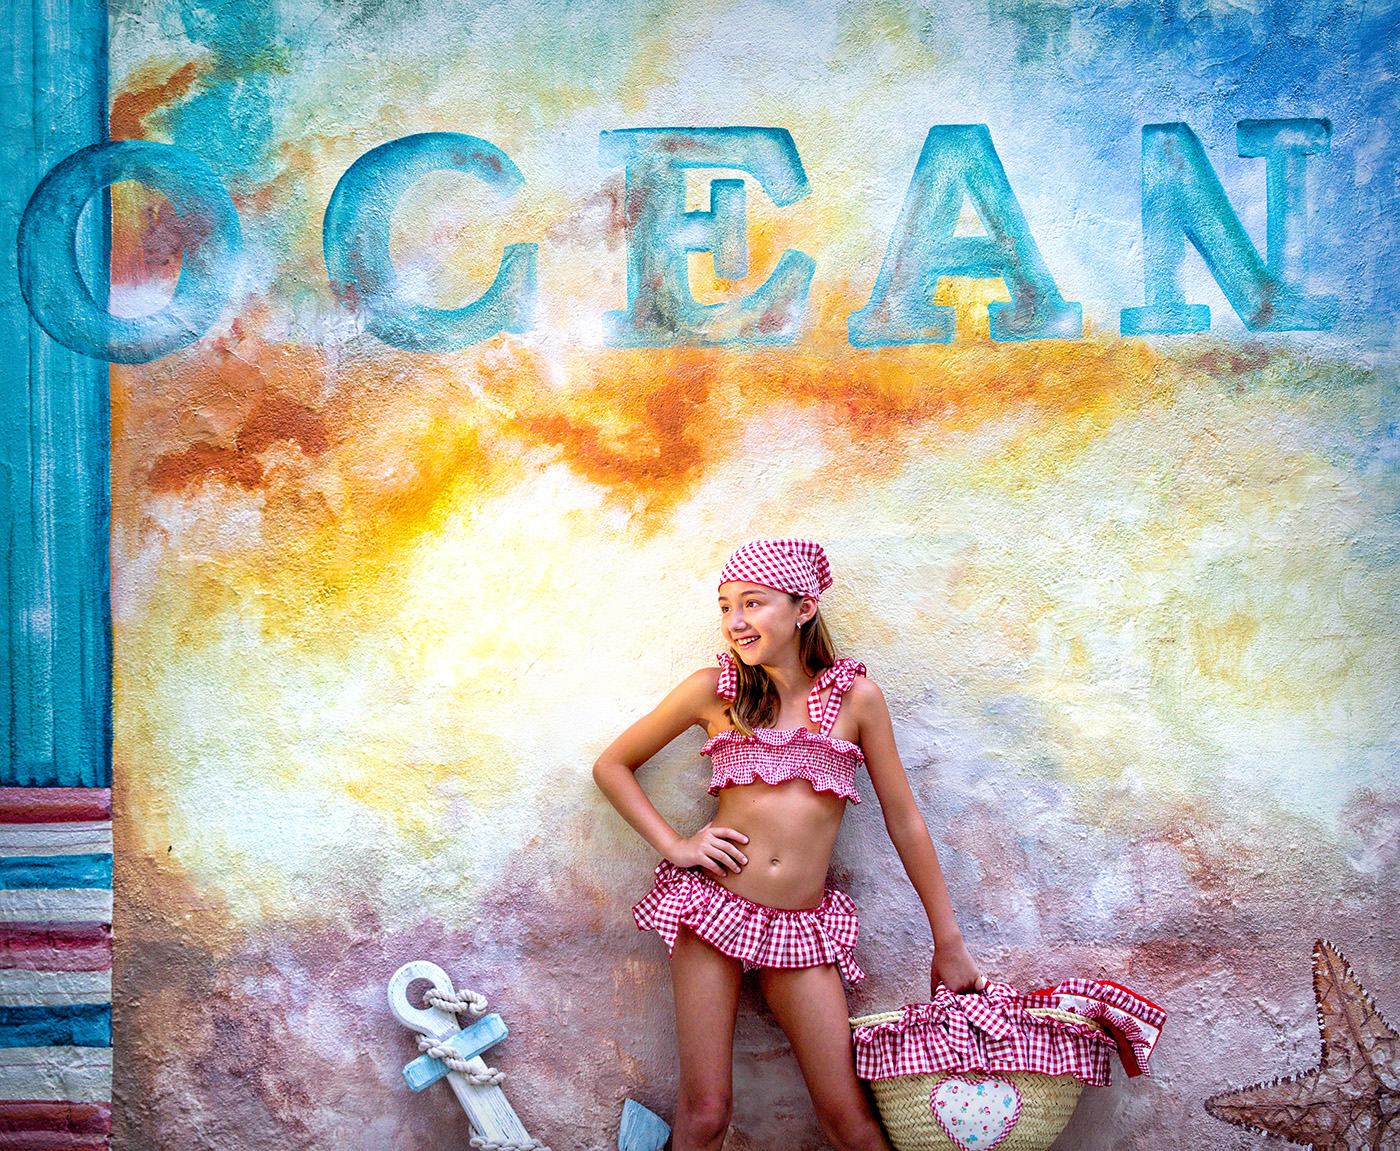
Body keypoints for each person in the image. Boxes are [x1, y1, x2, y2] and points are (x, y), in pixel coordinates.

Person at [593, 539, 985, 1151]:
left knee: (850, 1123)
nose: (735, 621)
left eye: (752, 603)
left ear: (803, 608)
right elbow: (612, 765)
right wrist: (676, 845)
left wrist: (948, 941)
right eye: (726, 606)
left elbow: (905, 821)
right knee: (706, 1114)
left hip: (801, 927)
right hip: (714, 912)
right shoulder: (715, 691)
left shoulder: (856, 699)